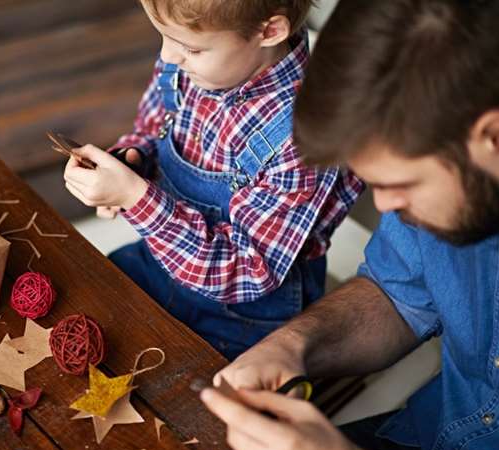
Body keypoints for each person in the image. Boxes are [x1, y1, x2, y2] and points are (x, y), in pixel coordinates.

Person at [200, 0, 499, 450]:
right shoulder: (458, 179)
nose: (384, 205)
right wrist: (290, 348)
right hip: (419, 441)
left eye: (402, 184)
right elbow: (395, 295)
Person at [63, 0, 363, 360]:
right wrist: (128, 164)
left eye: (190, 48)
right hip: (160, 263)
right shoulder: (191, 65)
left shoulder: (306, 135)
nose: (168, 56)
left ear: (268, 32)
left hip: (246, 319)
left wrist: (136, 200)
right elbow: (152, 129)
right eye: (162, 36)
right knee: (75, 302)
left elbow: (251, 269)